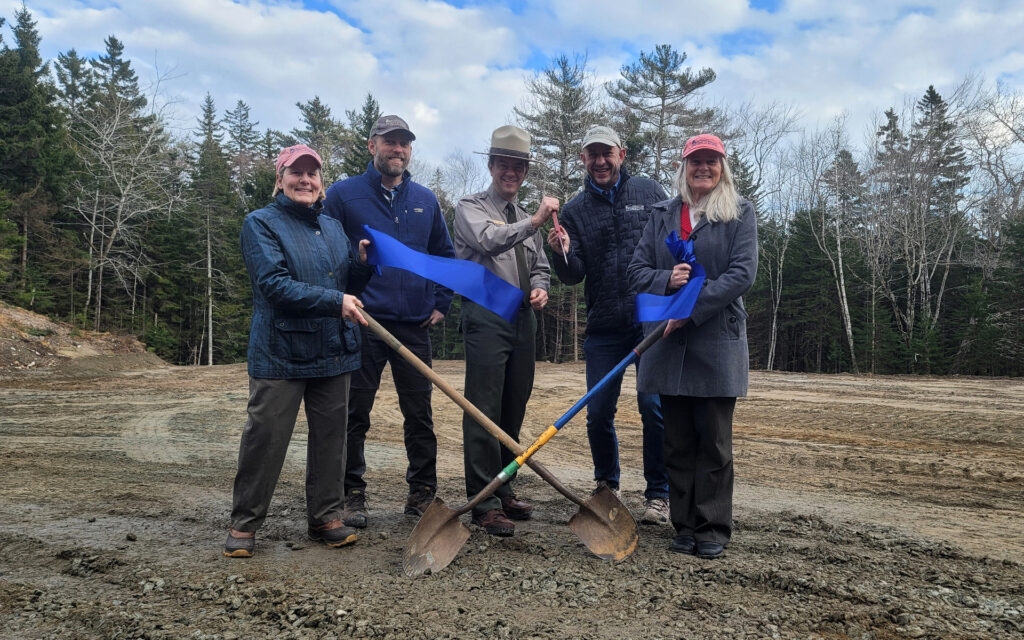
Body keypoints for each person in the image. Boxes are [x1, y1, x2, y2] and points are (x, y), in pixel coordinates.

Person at [224, 144, 373, 558]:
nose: (305, 180)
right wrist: (335, 300)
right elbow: (273, 285)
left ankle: (326, 517)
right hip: (281, 352)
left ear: (322, 182)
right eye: (296, 173)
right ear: (280, 178)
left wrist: (358, 264)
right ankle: (245, 522)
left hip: (333, 350)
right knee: (265, 438)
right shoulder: (260, 224)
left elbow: (347, 287)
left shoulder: (333, 228)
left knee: (331, 439)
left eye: (312, 173)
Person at [627, 133, 758, 560]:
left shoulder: (739, 214)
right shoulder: (662, 214)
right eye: (695, 161)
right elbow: (636, 271)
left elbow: (742, 275)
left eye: (711, 162)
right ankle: (684, 524)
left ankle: (713, 526)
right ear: (683, 168)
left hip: (716, 340)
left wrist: (692, 306)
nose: (703, 168)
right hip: (667, 342)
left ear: (722, 168)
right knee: (677, 441)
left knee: (714, 442)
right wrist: (667, 281)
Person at [323, 115, 455, 527]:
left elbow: (443, 255)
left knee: (419, 413)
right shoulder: (344, 196)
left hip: (414, 325)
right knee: (354, 412)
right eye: (389, 142)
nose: (397, 149)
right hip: (363, 324)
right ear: (372, 146)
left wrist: (442, 301)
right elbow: (326, 253)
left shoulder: (426, 200)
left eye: (404, 143)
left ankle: (422, 492)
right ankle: (351, 493)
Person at [546, 125, 671, 526]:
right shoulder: (574, 210)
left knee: (654, 408)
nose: (600, 161)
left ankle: (659, 494)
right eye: (592, 154)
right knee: (598, 411)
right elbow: (572, 275)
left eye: (607, 153)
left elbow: (671, 243)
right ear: (583, 159)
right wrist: (560, 253)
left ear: (622, 153)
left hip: (648, 320)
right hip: (604, 324)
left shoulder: (650, 193)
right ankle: (606, 486)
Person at [453, 125, 555, 537]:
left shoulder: (526, 219)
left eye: (519, 167)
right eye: (504, 165)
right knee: (483, 410)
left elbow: (542, 266)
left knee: (514, 406)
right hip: (485, 314)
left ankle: (504, 484)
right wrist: (535, 221)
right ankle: (483, 501)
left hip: (521, 320)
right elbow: (490, 240)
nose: (511, 173)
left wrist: (540, 288)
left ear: (525, 172)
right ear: (491, 165)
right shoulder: (470, 207)